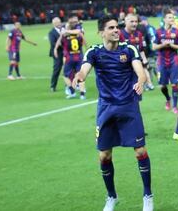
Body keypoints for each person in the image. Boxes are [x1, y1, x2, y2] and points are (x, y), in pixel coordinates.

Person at [73, 15, 153, 211]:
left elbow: (139, 70)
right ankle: (111, 197)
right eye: (111, 28)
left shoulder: (128, 49)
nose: (116, 30)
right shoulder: (94, 52)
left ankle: (148, 195)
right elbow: (84, 69)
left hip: (128, 106)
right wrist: (80, 76)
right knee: (104, 156)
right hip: (106, 109)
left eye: (117, 27)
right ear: (101, 32)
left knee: (140, 151)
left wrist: (140, 81)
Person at [153, 11, 178, 113]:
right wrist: (163, 45)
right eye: (169, 17)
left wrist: (171, 45)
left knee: (175, 84)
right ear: (164, 19)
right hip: (161, 61)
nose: (172, 19)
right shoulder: (158, 32)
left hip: (174, 60)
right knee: (162, 85)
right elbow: (154, 47)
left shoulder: (177, 32)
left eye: (172, 18)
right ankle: (168, 99)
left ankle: (175, 106)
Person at [56, 16, 87, 99]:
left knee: (65, 75)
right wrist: (87, 47)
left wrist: (56, 48)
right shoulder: (79, 34)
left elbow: (59, 43)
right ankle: (82, 94)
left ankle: (71, 91)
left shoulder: (65, 35)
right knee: (79, 75)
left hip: (70, 57)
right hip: (79, 56)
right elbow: (84, 40)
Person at [121, 14, 154, 91]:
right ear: (125, 22)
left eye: (136, 21)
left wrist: (144, 59)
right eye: (131, 21)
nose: (134, 24)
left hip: (137, 62)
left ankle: (148, 84)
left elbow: (141, 49)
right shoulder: (120, 34)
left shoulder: (138, 34)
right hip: (126, 66)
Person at [48, 17, 64, 92]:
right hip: (57, 53)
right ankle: (53, 86)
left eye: (59, 22)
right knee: (57, 69)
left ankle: (74, 85)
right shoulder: (51, 33)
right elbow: (53, 43)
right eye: (57, 22)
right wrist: (63, 44)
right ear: (53, 24)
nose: (59, 23)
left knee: (71, 69)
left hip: (67, 52)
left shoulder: (64, 29)